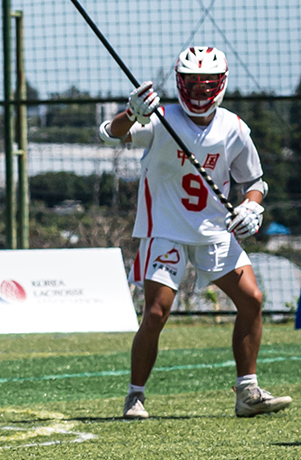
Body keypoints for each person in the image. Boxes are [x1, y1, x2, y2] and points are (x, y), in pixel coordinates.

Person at [101, 46, 289, 421]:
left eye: (207, 82)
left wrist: (251, 207)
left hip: (215, 231)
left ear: (221, 83)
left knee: (252, 299)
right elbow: (110, 134)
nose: (199, 90)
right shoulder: (160, 119)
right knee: (156, 312)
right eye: (192, 82)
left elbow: (254, 182)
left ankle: (247, 391)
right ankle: (135, 396)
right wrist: (132, 112)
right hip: (165, 230)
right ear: (179, 82)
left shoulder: (234, 128)